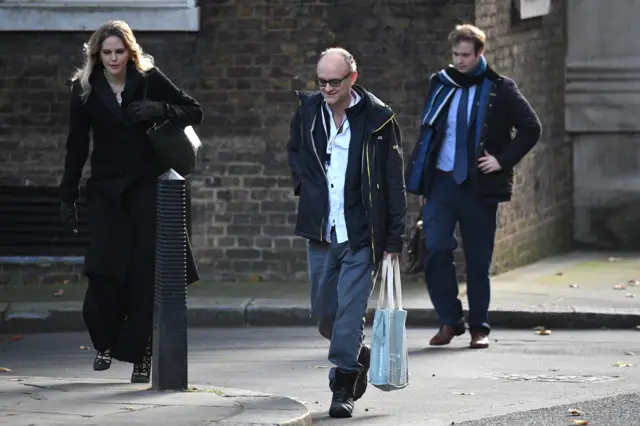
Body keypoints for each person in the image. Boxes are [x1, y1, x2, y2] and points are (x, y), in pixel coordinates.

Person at [59, 20, 203, 383]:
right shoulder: (84, 89)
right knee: (103, 271)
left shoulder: (148, 78)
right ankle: (104, 342)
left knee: (143, 274)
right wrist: (68, 195)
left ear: (130, 51)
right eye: (106, 52)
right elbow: (76, 146)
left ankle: (142, 354)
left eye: (119, 51)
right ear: (96, 54)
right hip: (106, 191)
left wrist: (159, 109)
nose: (113, 58)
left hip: (145, 187)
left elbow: (193, 110)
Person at [287, 47, 407, 418]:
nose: (326, 88)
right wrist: (304, 187)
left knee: (350, 313)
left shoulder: (379, 120)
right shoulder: (308, 112)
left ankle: (343, 387)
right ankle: (359, 355)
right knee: (325, 314)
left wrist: (393, 240)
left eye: (334, 82)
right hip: (322, 232)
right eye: (321, 81)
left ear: (352, 79)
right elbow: (296, 153)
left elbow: (393, 183)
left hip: (361, 235)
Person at [405, 24, 542, 349]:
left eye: (466, 55)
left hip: (480, 188)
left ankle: (479, 326)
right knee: (435, 248)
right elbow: (430, 132)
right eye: (455, 55)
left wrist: (502, 160)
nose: (460, 61)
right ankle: (450, 320)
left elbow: (530, 127)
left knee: (479, 260)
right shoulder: (441, 84)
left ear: (480, 53)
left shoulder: (499, 88)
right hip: (442, 183)